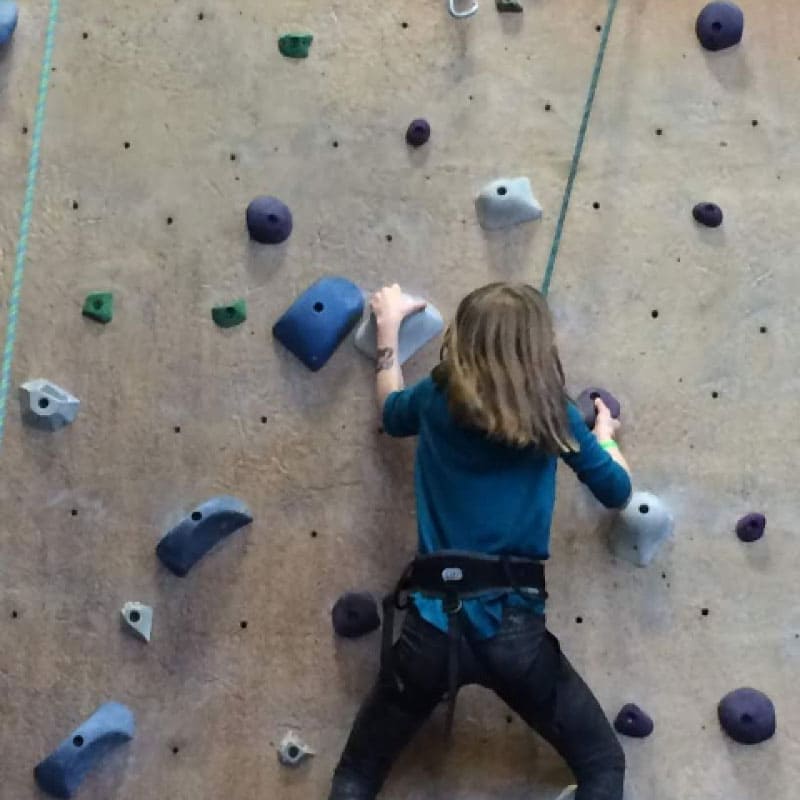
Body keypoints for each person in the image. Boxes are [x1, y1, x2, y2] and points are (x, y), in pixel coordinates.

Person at [329, 282, 632, 800]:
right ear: (540, 345)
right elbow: (618, 490)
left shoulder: (437, 395)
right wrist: (604, 436)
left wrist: (387, 331)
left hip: (430, 629)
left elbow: (390, 408)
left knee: (358, 775)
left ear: (462, 339)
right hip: (515, 634)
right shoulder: (552, 412)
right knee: (602, 766)